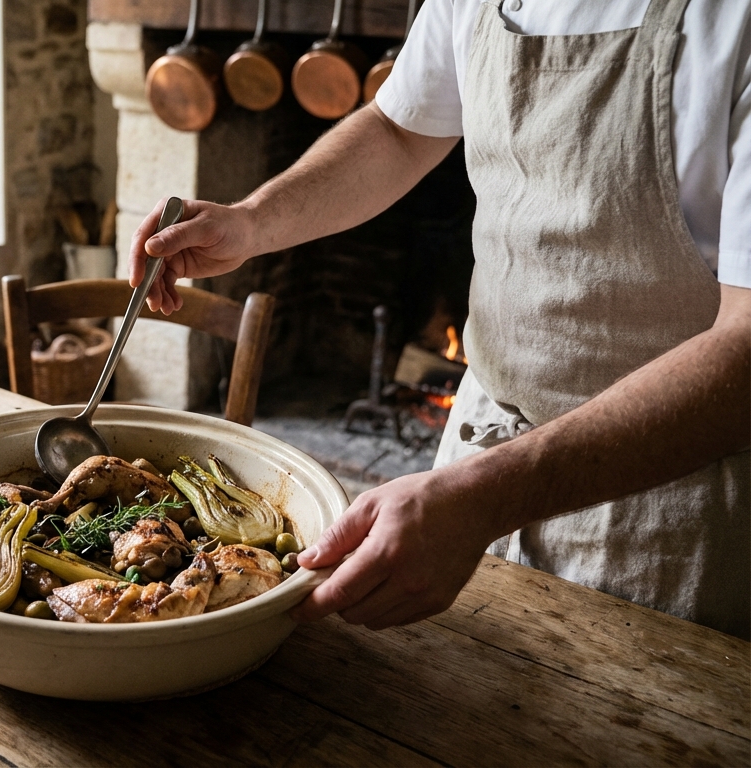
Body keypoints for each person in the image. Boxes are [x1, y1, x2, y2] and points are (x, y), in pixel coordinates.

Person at [128, 0, 751, 638]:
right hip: (476, 459)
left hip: (665, 517)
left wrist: (486, 497)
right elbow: (397, 131)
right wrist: (252, 221)